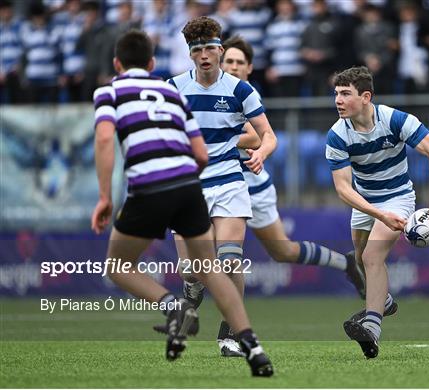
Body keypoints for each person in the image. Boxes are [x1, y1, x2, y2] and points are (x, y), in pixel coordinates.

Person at [158, 35, 369, 356]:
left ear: (249, 68)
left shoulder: (244, 95)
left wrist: (222, 140)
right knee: (193, 268)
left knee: (275, 253)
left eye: (238, 63)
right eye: (228, 60)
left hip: (249, 186)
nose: (231, 66)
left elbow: (261, 136)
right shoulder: (195, 90)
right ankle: (192, 302)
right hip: (208, 184)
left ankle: (344, 264)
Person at [91, 29, 273, 377]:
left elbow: (103, 139)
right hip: (190, 184)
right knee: (202, 268)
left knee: (118, 265)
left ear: (116, 64)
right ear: (152, 63)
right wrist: (192, 182)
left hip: (153, 185)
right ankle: (255, 349)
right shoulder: (170, 90)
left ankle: (177, 309)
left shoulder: (108, 90)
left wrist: (104, 198)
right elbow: (200, 152)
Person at [167, 17, 277, 357]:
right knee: (192, 270)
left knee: (230, 262)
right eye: (196, 49)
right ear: (190, 54)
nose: (204, 55)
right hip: (188, 187)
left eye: (209, 48)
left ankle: (229, 336)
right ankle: (191, 287)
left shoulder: (240, 90)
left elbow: (268, 135)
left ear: (220, 49)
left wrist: (260, 153)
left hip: (229, 182)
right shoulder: (173, 88)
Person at [326, 66, 429, 359]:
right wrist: (376, 214)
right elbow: (343, 189)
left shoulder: (395, 120)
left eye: (345, 94)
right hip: (363, 200)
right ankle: (385, 302)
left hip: (397, 197)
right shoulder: (337, 135)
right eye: (336, 94)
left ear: (366, 97)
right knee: (359, 259)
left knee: (371, 257)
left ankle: (372, 328)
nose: (338, 100)